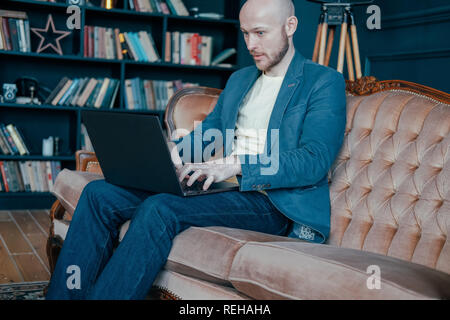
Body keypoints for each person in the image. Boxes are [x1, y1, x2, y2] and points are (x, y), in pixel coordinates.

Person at [46, 0, 346, 300]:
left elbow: (314, 160)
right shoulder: (241, 79)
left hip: (272, 199)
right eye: (245, 33)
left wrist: (236, 165)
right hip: (221, 185)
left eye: (260, 33)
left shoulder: (322, 81)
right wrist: (172, 155)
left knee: (160, 209)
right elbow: (209, 134)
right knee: (99, 195)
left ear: (290, 26)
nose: (251, 44)